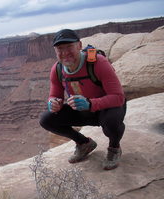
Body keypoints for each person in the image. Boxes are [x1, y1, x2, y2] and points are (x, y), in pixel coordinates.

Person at [39, 29, 126, 170]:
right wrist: (53, 103)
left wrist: (90, 103)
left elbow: (119, 97)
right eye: (60, 49)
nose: (65, 53)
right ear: (55, 51)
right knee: (47, 119)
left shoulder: (98, 63)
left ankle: (114, 147)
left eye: (69, 47)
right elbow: (55, 95)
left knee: (112, 122)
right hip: (82, 111)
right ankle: (84, 144)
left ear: (79, 46)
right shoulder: (57, 69)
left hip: (106, 109)